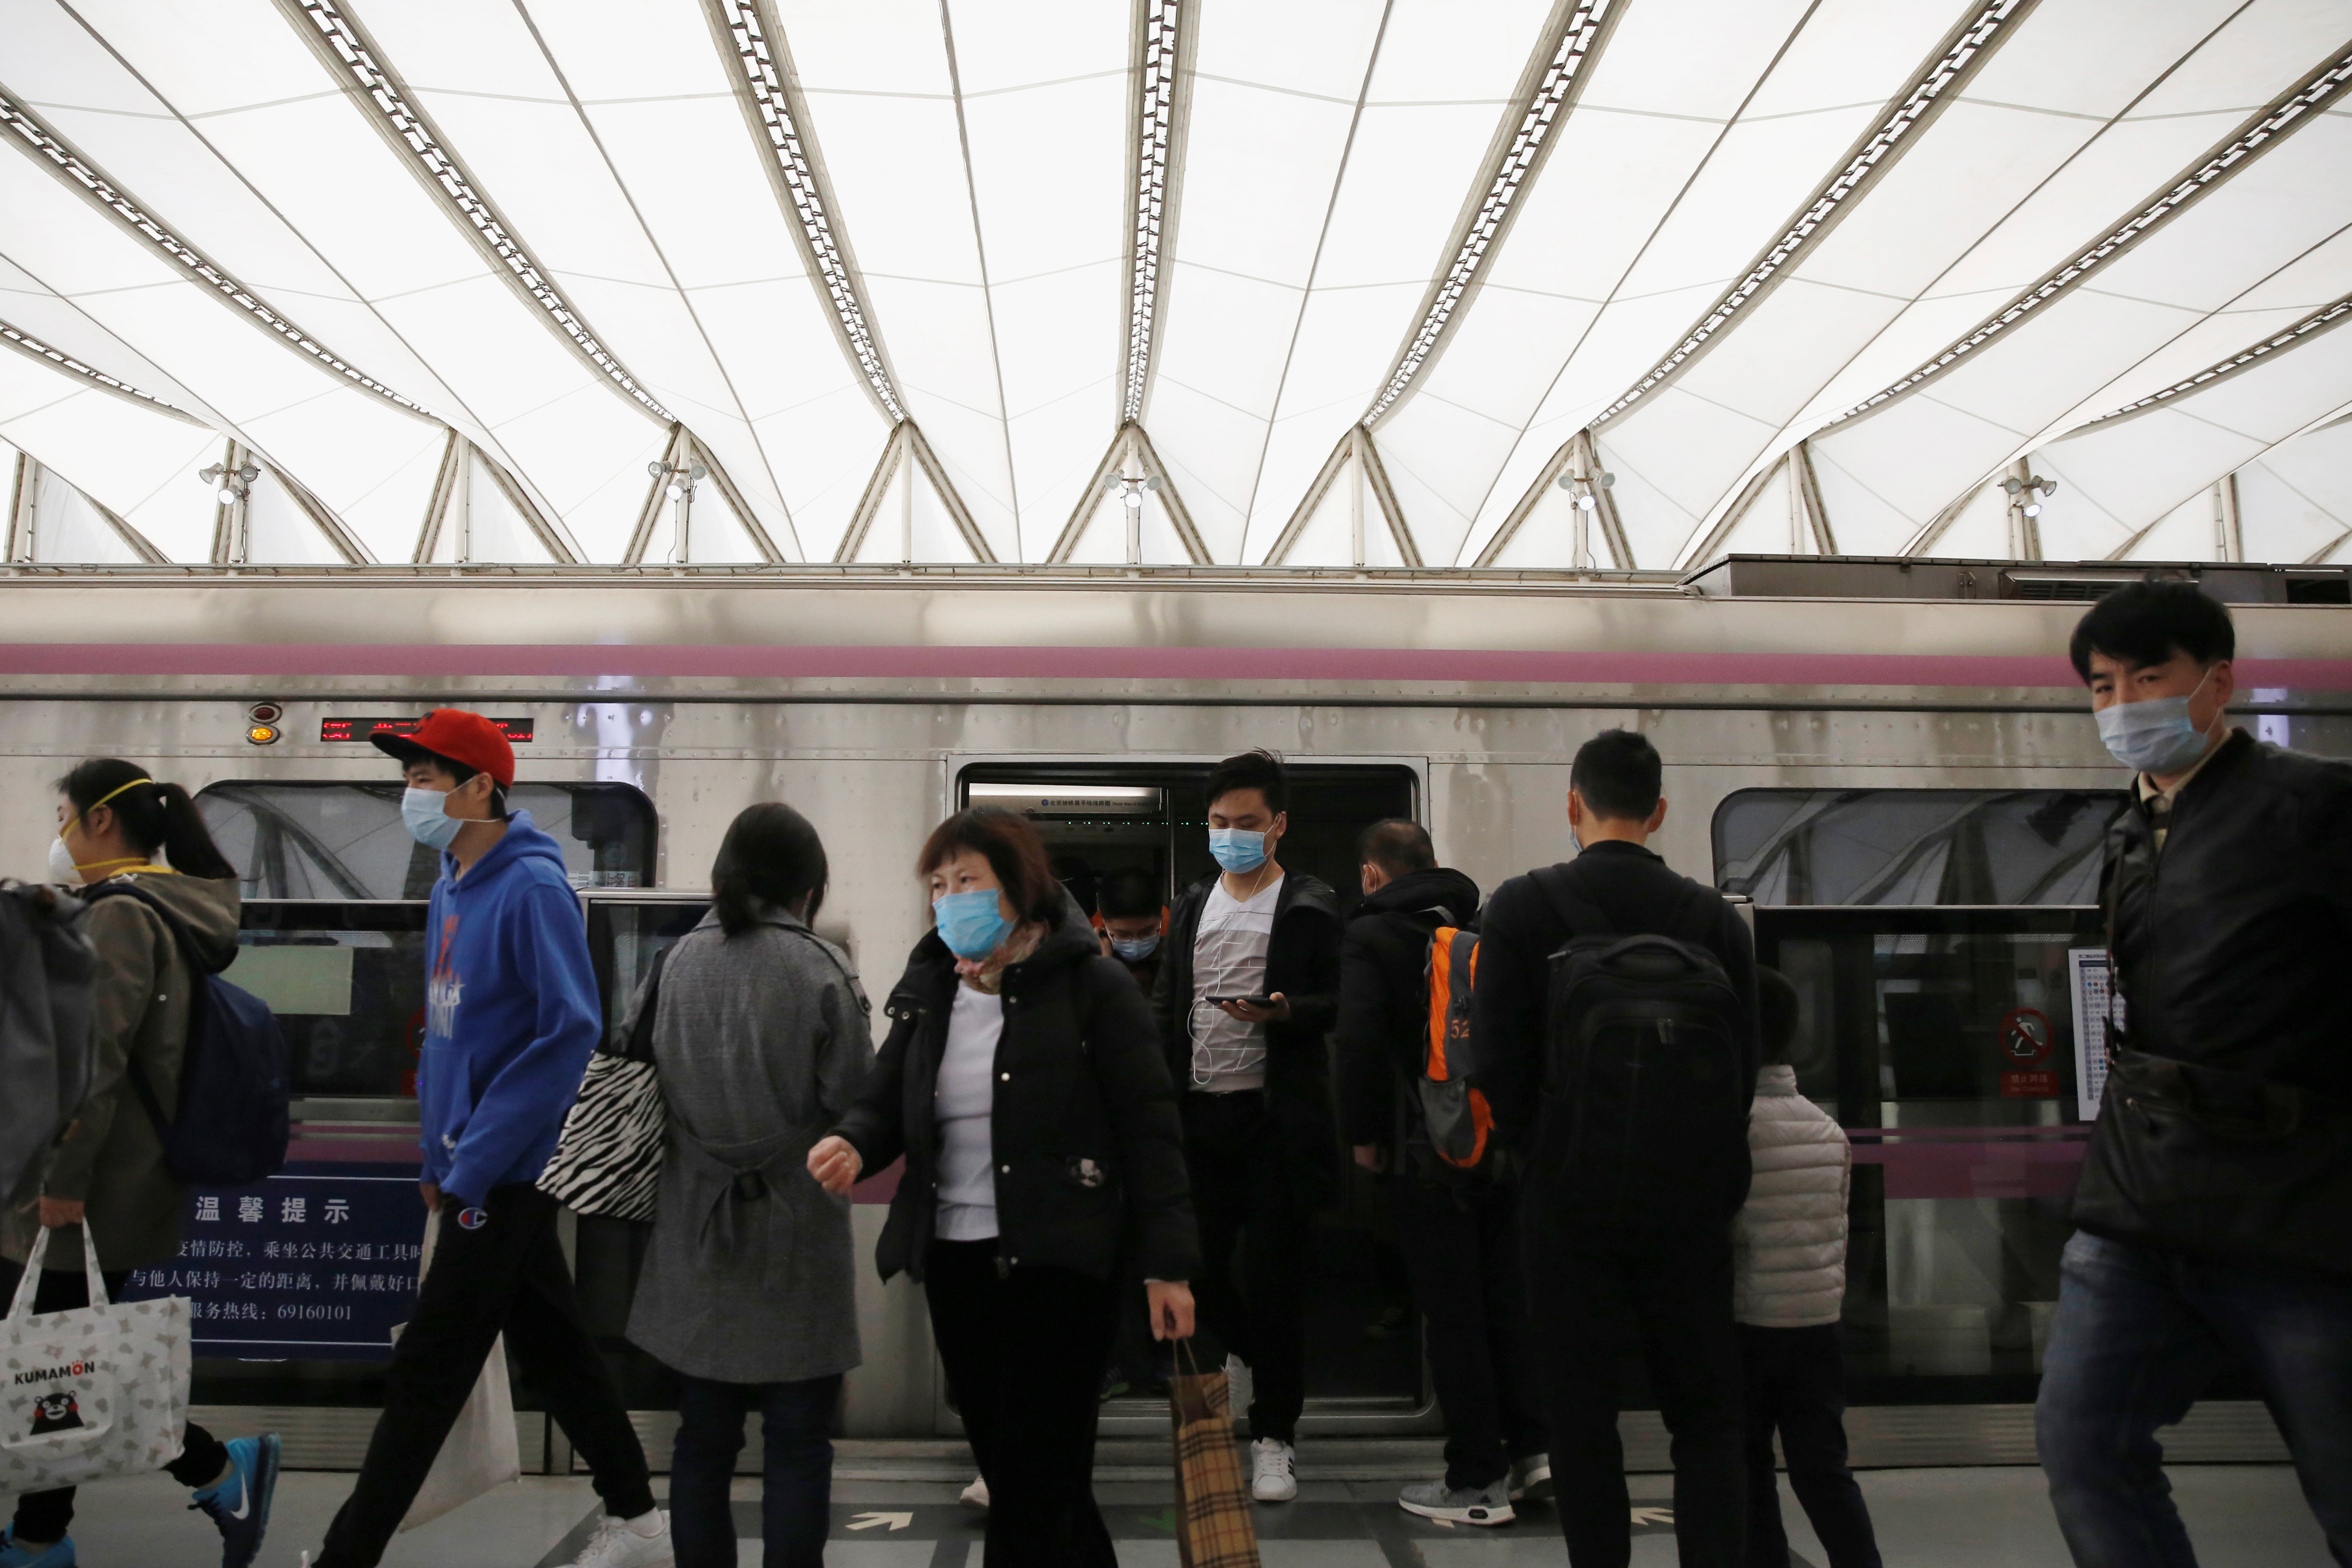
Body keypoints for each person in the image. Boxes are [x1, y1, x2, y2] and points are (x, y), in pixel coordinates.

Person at [299, 711, 668, 1568]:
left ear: (480, 788)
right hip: (472, 1170)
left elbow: (567, 1028)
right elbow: (444, 1032)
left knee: (430, 1370)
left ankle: (343, 1556)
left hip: (500, 1173)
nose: (412, 793)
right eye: (410, 776)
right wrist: (439, 1157)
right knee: (554, 1344)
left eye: (428, 776)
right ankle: (639, 1514)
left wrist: (471, 1162)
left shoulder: (531, 887)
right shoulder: (448, 886)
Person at [2036, 581, 2352, 1566]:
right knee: (2082, 1442)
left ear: (2217, 683)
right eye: (2101, 685)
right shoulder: (2127, 834)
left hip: (2297, 1201)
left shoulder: (2318, 807)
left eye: (2148, 676)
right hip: (2141, 1199)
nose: (2123, 704)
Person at [809, 808, 1197, 1568]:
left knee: (1030, 1486)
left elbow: (1151, 1131)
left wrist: (1168, 1264)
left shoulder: (1095, 989)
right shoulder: (933, 991)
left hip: (1061, 1264)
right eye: (940, 883)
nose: (950, 897)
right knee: (1034, 1479)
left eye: (969, 881)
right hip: (957, 1265)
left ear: (1017, 888)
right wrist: (852, 1140)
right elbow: (887, 1093)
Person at [1474, 727, 1761, 1568]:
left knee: (1581, 1417)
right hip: (1691, 1209)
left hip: (1568, 1205)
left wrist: (1547, 1152)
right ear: (1661, 812)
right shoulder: (1713, 918)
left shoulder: (1522, 907)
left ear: (1572, 805)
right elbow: (1741, 1070)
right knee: (1706, 1417)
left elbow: (1495, 1063)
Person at [2, 762, 278, 1568]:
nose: (57, 835)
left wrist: (62, 1182)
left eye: (64, 816)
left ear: (99, 824)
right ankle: (56, 1531)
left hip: (90, 1187)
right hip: (113, 1181)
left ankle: (210, 1472)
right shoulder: (150, 910)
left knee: (56, 1358)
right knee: (62, 1355)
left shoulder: (123, 914)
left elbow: (96, 1061)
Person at [623, 803, 871, 1568]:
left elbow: (643, 1076)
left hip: (696, 1231)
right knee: (798, 1440)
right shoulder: (821, 970)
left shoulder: (675, 964)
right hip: (796, 1231)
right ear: (807, 887)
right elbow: (854, 1099)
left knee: (704, 1439)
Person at [1334, 818, 1548, 1527]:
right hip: (1499, 1150)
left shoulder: (1371, 936)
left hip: (1426, 1155)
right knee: (1505, 1305)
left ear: (1372, 874)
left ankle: (1475, 1484)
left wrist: (1364, 1139)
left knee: (1452, 1317)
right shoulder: (1487, 927)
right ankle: (1534, 1455)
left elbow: (1360, 1043)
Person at [1150, 748, 1342, 1504]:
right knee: (1192, 1272)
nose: (1232, 834)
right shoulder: (1194, 904)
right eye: (1221, 822)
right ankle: (1235, 1370)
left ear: (1279, 825)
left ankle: (1274, 1436)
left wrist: (1288, 1013)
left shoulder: (1310, 903)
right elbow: (1169, 1001)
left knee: (1275, 1281)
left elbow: (1340, 1000)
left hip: (1273, 1119)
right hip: (1198, 1113)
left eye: (1248, 823)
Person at [1737, 969, 1881, 1568]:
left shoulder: (1729, 1130)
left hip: (1747, 1325)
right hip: (1818, 1328)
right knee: (1823, 1468)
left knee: (1749, 1467)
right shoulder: (1828, 1131)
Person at [1094, 865, 1171, 1402]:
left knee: (1162, 1249)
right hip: (1105, 1128)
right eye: (1124, 935)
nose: (1136, 943)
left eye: (1146, 932)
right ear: (1103, 926)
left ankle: (1165, 1360)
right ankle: (1119, 1361)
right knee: (1111, 1255)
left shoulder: (1181, 952)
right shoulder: (1084, 962)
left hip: (1164, 1120)